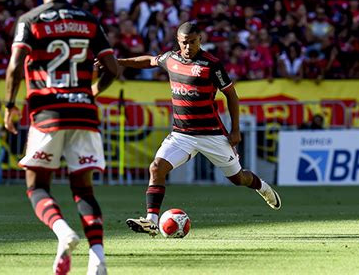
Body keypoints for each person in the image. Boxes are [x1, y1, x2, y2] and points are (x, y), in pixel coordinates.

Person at [116, 22, 281, 237]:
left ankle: (262, 187)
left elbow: (231, 95)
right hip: (181, 135)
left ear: (199, 40)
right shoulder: (170, 59)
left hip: (212, 134)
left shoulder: (211, 64)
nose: (188, 47)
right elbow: (148, 60)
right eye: (184, 43)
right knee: (156, 168)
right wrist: (118, 62)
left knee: (238, 179)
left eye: (192, 42)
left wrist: (235, 130)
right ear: (178, 41)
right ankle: (151, 221)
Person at [4, 0, 119, 275]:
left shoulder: (30, 20)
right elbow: (113, 69)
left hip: (48, 113)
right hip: (83, 113)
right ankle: (98, 259)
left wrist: (9, 106)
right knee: (84, 190)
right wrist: (91, 91)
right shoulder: (88, 19)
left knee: (37, 186)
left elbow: (16, 65)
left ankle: (63, 231)